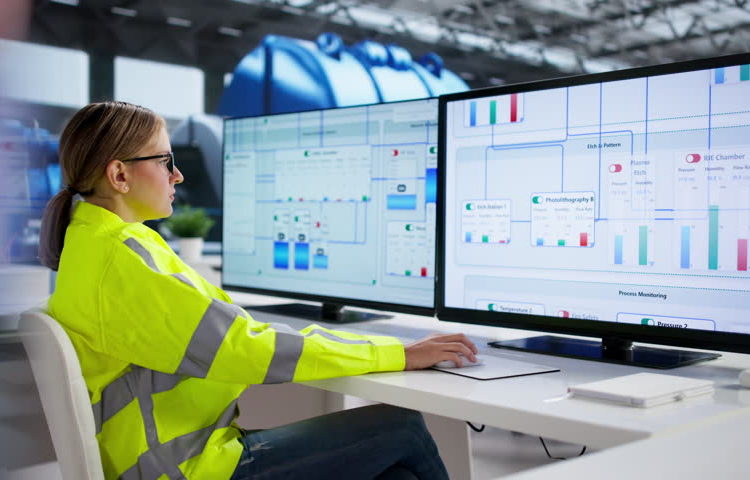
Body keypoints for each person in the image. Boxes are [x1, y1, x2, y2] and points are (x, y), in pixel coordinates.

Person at [40, 101, 479, 480]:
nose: (177, 176)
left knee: (397, 471)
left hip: (157, 456)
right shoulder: (122, 258)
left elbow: (222, 334)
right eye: (164, 161)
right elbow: (245, 349)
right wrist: (399, 353)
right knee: (402, 429)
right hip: (183, 467)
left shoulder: (93, 243)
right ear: (119, 174)